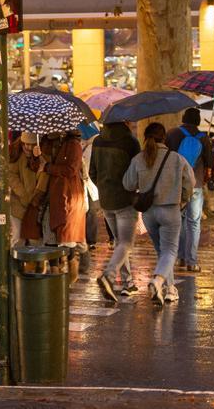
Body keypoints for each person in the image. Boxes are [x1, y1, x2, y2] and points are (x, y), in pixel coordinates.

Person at [123, 122, 194, 305]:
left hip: (149, 212)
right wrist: (183, 200)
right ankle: (158, 281)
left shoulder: (139, 159)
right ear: (164, 138)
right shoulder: (177, 159)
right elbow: (190, 183)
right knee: (169, 251)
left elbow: (128, 184)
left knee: (163, 252)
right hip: (170, 209)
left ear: (145, 138)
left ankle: (170, 289)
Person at [26, 132, 87, 283]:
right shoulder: (45, 142)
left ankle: (71, 262)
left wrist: (47, 167)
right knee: (49, 234)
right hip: (48, 194)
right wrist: (34, 157)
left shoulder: (73, 145)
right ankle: (55, 272)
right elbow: (36, 167)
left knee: (67, 237)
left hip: (67, 194)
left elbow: (71, 170)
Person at [91, 122, 141, 302]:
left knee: (121, 242)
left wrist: (103, 187)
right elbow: (137, 171)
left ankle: (128, 282)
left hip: (106, 200)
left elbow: (92, 172)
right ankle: (109, 275)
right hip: (125, 198)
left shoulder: (98, 141)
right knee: (126, 242)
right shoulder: (131, 142)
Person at [165, 108, 214, 272]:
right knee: (193, 223)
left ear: (184, 118)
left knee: (177, 221)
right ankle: (191, 261)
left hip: (175, 184)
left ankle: (179, 258)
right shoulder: (204, 138)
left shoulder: (172, 134)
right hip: (196, 185)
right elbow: (209, 168)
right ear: (198, 120)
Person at [8, 132, 44, 247]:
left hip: (35, 204)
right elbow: (11, 176)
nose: (28, 147)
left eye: (31, 145)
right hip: (18, 203)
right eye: (26, 144)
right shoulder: (16, 153)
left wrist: (39, 158)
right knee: (18, 238)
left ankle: (33, 260)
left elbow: (43, 177)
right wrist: (23, 194)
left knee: (35, 239)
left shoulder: (42, 155)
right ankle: (15, 259)